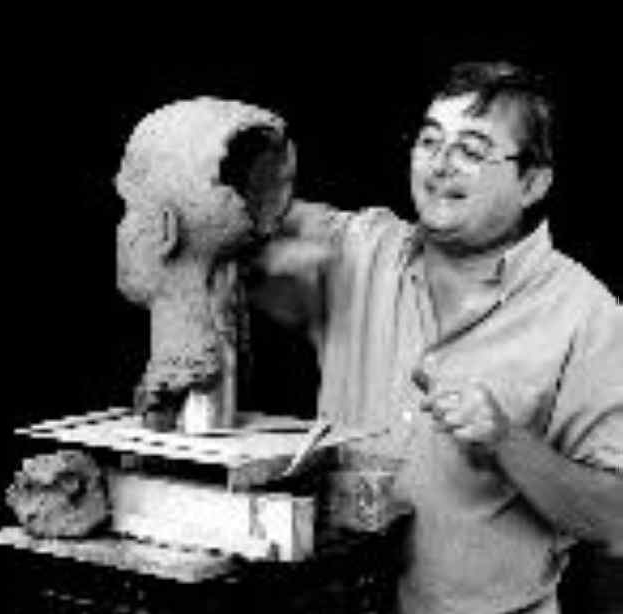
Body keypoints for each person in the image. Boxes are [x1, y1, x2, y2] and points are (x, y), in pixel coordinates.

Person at [248, 61, 623, 613]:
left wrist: (506, 442)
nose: (440, 164)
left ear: (533, 182)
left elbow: (614, 517)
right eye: (429, 141)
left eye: (471, 149)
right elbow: (239, 207)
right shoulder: (359, 250)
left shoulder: (585, 313)